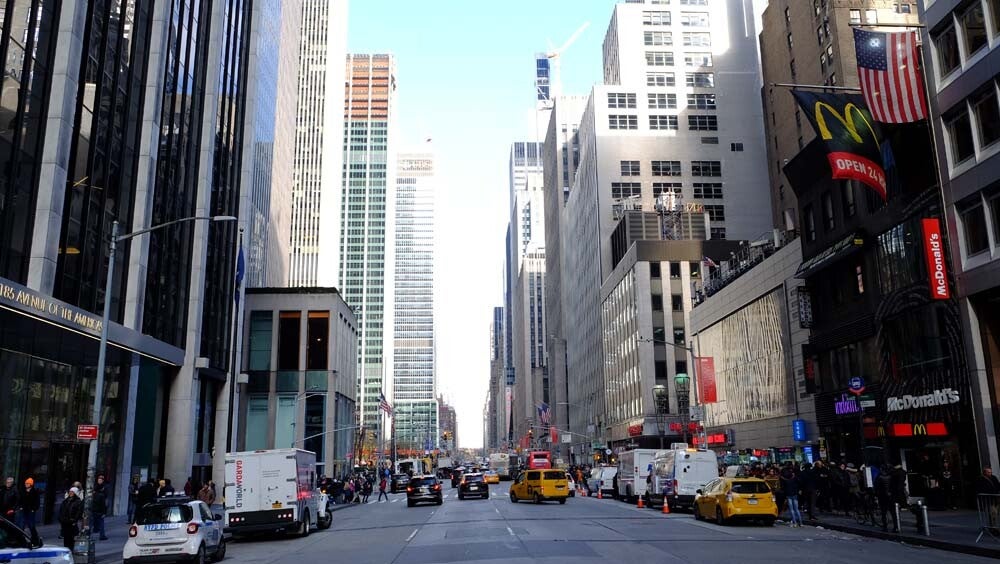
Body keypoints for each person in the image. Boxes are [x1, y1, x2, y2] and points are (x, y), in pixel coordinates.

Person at [875, 464, 898, 533]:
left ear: (881, 469)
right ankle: (895, 527)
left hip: (882, 497)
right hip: (891, 496)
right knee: (893, 513)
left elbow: (876, 487)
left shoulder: (879, 477)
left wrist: (876, 495)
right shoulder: (891, 476)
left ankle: (885, 527)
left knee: (884, 513)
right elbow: (894, 486)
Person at [92, 475, 109, 540]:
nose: (99, 481)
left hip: (100, 507)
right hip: (95, 507)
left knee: (101, 522)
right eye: (99, 480)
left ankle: (101, 535)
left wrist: (104, 512)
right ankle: (96, 530)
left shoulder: (104, 487)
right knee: (94, 521)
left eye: (101, 480)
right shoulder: (95, 486)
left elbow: (105, 499)